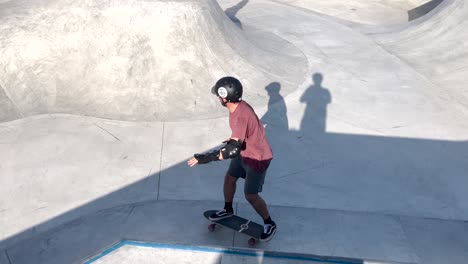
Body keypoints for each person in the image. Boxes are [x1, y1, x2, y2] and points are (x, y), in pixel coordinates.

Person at [187, 76, 277, 241]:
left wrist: (205, 158)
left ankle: (269, 223)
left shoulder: (240, 115)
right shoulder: (237, 107)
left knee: (250, 195)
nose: (218, 98)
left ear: (225, 97)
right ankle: (228, 209)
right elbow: (240, 139)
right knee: (229, 179)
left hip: (257, 158)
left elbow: (232, 150)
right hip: (245, 151)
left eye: (219, 95)